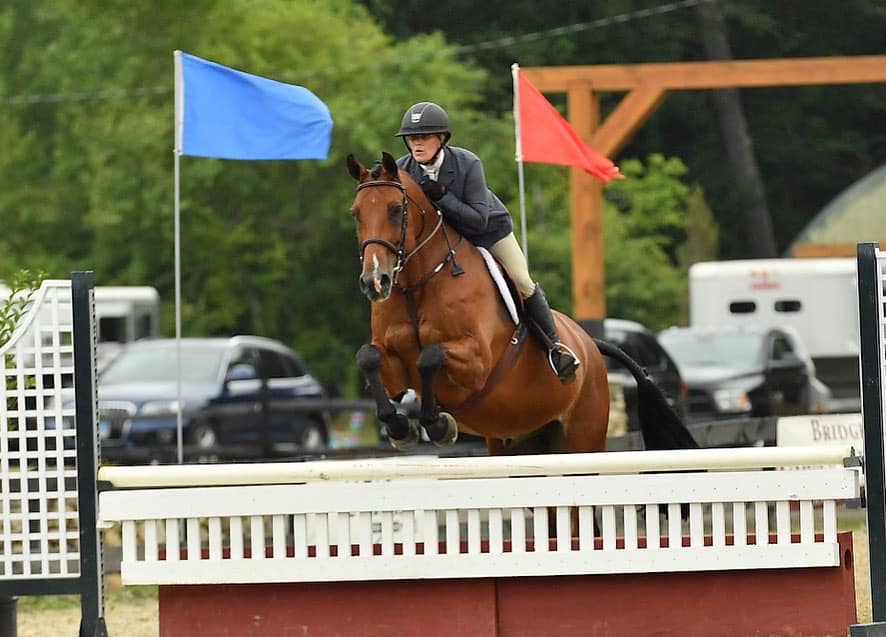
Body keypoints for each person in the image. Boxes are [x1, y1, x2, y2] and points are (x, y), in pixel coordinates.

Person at [395, 101, 579, 384]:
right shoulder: (403, 170)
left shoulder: (467, 163)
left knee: (522, 280)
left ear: (441, 138)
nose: (417, 144)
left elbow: (477, 219)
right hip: (443, 242)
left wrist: (441, 195)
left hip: (488, 233)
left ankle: (555, 348)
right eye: (412, 138)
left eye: (424, 137)